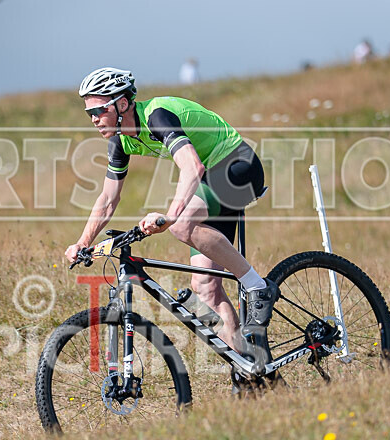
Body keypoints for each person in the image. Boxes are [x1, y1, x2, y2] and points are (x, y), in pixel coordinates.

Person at [65, 67, 279, 374]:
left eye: (99, 110)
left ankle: (258, 287)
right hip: (211, 179)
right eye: (90, 113)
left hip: (238, 165)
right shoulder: (121, 140)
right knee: (205, 288)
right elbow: (108, 198)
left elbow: (192, 167)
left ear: (122, 104)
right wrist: (83, 243)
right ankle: (253, 373)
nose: (94, 119)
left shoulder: (157, 116)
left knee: (181, 225)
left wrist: (171, 215)